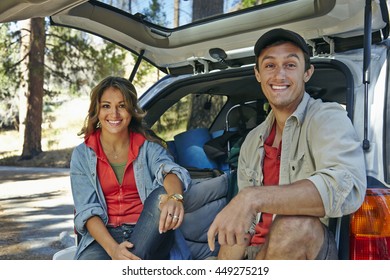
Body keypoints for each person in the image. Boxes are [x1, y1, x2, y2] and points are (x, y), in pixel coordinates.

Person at [207, 28, 367, 260]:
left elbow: (346, 187)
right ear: (258, 74)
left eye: (290, 65)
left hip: (310, 247)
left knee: (293, 222)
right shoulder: (252, 140)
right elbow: (245, 223)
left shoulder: (327, 118)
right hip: (256, 251)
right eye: (270, 65)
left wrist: (252, 197)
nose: (279, 75)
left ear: (307, 73)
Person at [70, 76, 191, 260]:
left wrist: (176, 198)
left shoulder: (147, 147)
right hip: (103, 238)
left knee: (161, 195)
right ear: (97, 110)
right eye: (106, 106)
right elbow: (87, 211)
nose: (114, 114)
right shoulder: (82, 155)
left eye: (122, 105)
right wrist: (114, 250)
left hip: (147, 230)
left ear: (131, 110)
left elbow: (170, 171)